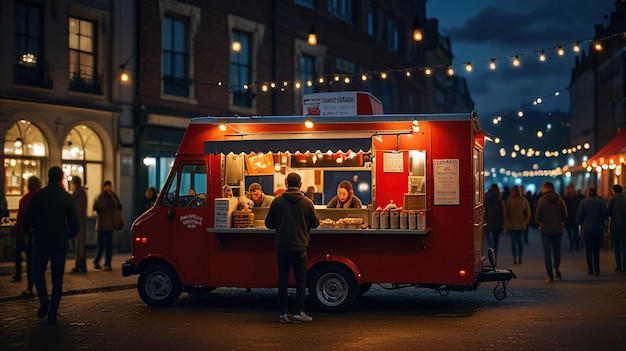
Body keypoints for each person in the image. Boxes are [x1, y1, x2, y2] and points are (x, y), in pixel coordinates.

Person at [23, 166, 79, 325]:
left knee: (38, 273)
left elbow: (26, 220)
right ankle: (53, 313)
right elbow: (75, 224)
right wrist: (68, 236)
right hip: (59, 243)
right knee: (57, 279)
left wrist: (31, 233)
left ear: (48, 176)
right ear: (61, 178)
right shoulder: (66, 197)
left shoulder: (39, 196)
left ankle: (43, 300)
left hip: (41, 241)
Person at [265, 172, 319, 323]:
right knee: (301, 281)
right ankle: (298, 312)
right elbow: (315, 223)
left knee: (282, 281)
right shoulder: (307, 202)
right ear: (300, 185)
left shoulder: (277, 202)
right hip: (300, 247)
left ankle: (283, 314)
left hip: (282, 246)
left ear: (286, 184)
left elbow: (269, 224)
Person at [12, 176, 41, 298]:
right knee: (35, 261)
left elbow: (21, 217)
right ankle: (36, 287)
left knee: (24, 258)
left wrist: (19, 231)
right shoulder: (40, 198)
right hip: (38, 234)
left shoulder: (25, 198)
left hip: (25, 234)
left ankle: (28, 284)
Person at [534, 181, 568, 284]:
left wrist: (541, 222)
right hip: (557, 230)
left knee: (547, 253)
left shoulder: (541, 201)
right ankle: (556, 267)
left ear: (545, 189)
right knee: (556, 251)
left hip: (545, 230)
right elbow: (565, 215)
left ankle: (550, 276)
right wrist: (560, 221)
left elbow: (537, 217)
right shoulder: (560, 200)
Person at [577, 186, 607, 276]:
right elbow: (605, 215)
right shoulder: (601, 202)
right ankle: (597, 269)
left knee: (588, 250)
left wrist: (580, 223)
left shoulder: (583, 202)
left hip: (587, 229)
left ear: (588, 193)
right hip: (598, 228)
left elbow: (579, 216)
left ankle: (590, 269)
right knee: (596, 250)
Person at [93, 180, 122, 271]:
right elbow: (96, 207)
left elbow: (118, 206)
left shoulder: (113, 196)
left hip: (109, 225)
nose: (109, 188)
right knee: (101, 245)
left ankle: (107, 263)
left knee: (108, 245)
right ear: (104, 187)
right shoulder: (100, 196)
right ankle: (97, 261)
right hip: (102, 225)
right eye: (107, 186)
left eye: (110, 186)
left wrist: (112, 196)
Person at [505, 185, 531, 265]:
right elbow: (528, 212)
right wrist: (526, 221)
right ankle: (520, 256)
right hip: (521, 224)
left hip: (512, 224)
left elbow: (506, 213)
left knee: (513, 242)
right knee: (519, 241)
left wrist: (507, 223)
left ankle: (515, 257)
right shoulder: (523, 200)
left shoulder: (509, 200)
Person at [70, 176, 88, 273]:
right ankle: (81, 265)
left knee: (79, 244)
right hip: (81, 219)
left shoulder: (78, 193)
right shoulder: (82, 192)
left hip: (79, 219)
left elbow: (76, 207)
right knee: (80, 243)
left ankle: (80, 265)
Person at [607, 184, 626, 273]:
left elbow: (608, 212)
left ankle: (619, 266)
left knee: (617, 248)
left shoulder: (613, 199)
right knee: (624, 247)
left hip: (616, 227)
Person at [484, 184, 506, 255]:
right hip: (497, 225)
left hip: (487, 223)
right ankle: (494, 257)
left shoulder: (486, 199)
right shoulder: (500, 201)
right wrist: (503, 225)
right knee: (496, 242)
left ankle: (490, 255)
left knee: (489, 243)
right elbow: (503, 214)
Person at [564, 184, 583, 252]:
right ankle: (572, 243)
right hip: (569, 217)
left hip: (575, 217)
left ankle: (576, 244)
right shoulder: (567, 198)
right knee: (570, 232)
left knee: (575, 232)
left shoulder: (576, 197)